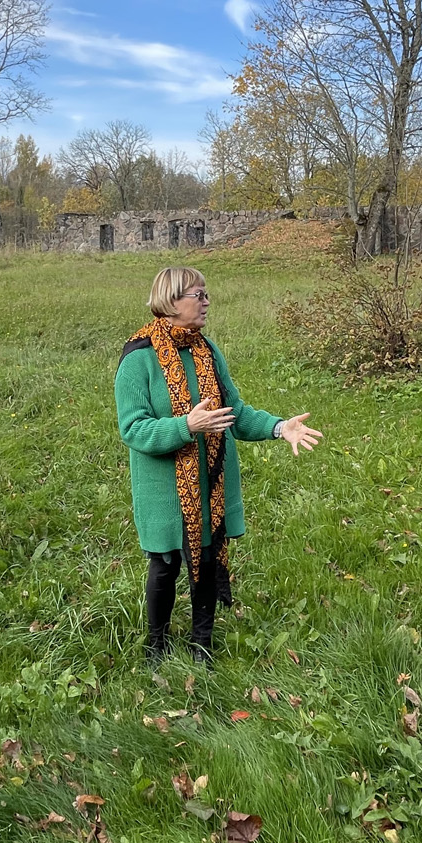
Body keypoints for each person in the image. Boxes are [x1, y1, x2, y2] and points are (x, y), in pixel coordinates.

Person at [116, 266, 322, 662]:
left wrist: (280, 428)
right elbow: (134, 428)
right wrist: (186, 426)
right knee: (165, 564)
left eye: (207, 294)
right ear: (173, 301)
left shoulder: (206, 350)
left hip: (210, 482)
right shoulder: (138, 358)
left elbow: (236, 413)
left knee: (207, 559)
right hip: (163, 487)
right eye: (199, 294)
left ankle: (201, 645)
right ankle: (156, 645)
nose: (207, 301)